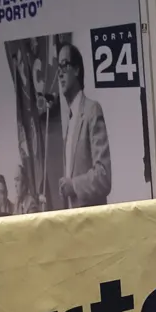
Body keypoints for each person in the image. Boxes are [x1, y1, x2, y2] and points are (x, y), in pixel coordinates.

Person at [57, 43, 113, 208]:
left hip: (91, 223)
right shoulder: (70, 119)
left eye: (64, 65)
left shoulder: (92, 110)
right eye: (58, 67)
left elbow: (103, 177)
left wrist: (73, 185)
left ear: (76, 70)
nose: (60, 72)